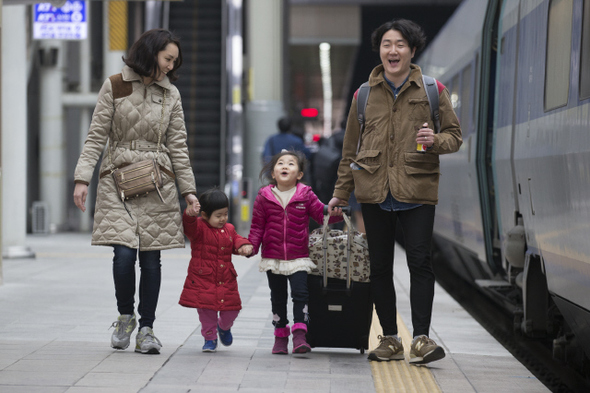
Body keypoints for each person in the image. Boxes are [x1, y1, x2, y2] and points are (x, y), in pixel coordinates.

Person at [328, 19, 462, 365]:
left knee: (420, 261)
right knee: (379, 268)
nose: (393, 50)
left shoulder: (433, 91)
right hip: (374, 190)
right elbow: (350, 150)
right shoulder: (364, 95)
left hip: (417, 190)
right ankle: (389, 338)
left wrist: (435, 141)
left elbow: (455, 137)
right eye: (387, 44)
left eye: (400, 44)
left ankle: (420, 338)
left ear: (412, 51)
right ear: (380, 51)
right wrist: (340, 194)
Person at [73, 29, 200, 355]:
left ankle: (146, 328)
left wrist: (189, 191)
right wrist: (82, 178)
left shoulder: (170, 95)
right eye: (167, 58)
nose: (171, 66)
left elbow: (178, 147)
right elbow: (96, 136)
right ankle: (125, 316)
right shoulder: (115, 85)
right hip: (118, 181)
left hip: (157, 185)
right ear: (151, 53)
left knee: (151, 260)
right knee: (124, 255)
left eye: (175, 61)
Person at [248, 150, 342, 354]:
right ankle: (280, 336)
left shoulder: (305, 194)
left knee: (301, 294)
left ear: (299, 174)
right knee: (278, 297)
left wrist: (335, 215)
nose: (284, 166)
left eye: (291, 164)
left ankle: (300, 334)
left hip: (298, 256)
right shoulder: (264, 197)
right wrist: (251, 247)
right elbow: (257, 226)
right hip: (273, 257)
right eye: (280, 163)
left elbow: (320, 213)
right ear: (273, 173)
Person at [179, 188, 253, 352]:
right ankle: (210, 338)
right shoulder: (199, 228)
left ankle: (224, 327)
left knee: (232, 309)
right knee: (206, 312)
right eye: (218, 215)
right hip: (203, 279)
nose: (222, 219)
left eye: (225, 214)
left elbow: (236, 239)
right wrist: (190, 215)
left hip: (226, 278)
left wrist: (244, 246)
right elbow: (189, 226)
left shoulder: (229, 228)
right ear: (204, 215)